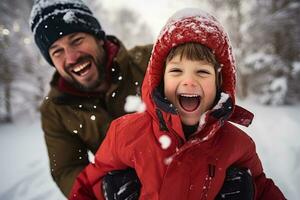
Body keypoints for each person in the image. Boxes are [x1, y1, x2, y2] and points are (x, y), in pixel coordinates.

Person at [68, 8, 286, 200]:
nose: (189, 80)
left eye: (202, 72)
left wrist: (253, 193)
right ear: (160, 80)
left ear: (220, 84)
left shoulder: (238, 146)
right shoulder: (124, 135)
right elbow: (86, 188)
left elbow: (264, 189)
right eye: (176, 71)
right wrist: (105, 191)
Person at [29, 0, 152, 197]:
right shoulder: (56, 109)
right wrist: (105, 189)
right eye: (57, 51)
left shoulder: (151, 61)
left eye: (76, 40)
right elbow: (67, 170)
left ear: (99, 38)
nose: (71, 58)